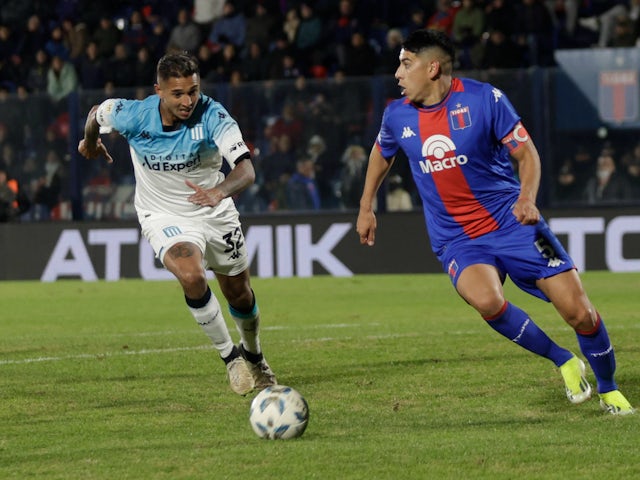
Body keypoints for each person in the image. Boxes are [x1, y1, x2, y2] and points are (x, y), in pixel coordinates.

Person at [356, 29, 634, 415]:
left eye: (406, 64)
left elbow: (528, 156)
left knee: (579, 312)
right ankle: (564, 360)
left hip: (515, 224)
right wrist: (366, 205)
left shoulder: (485, 100)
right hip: (457, 237)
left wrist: (527, 198)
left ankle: (608, 388)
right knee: (487, 300)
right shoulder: (396, 114)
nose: (398, 74)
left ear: (432, 67)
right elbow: (381, 153)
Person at [77, 51, 277, 396]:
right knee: (191, 275)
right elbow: (97, 113)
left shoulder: (213, 115)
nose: (187, 101)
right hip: (164, 214)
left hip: (215, 210)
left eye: (193, 91)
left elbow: (246, 169)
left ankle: (255, 356)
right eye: (178, 94)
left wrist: (219, 191)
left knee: (239, 294)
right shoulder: (134, 115)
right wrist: (91, 141)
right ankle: (232, 359)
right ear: (159, 91)